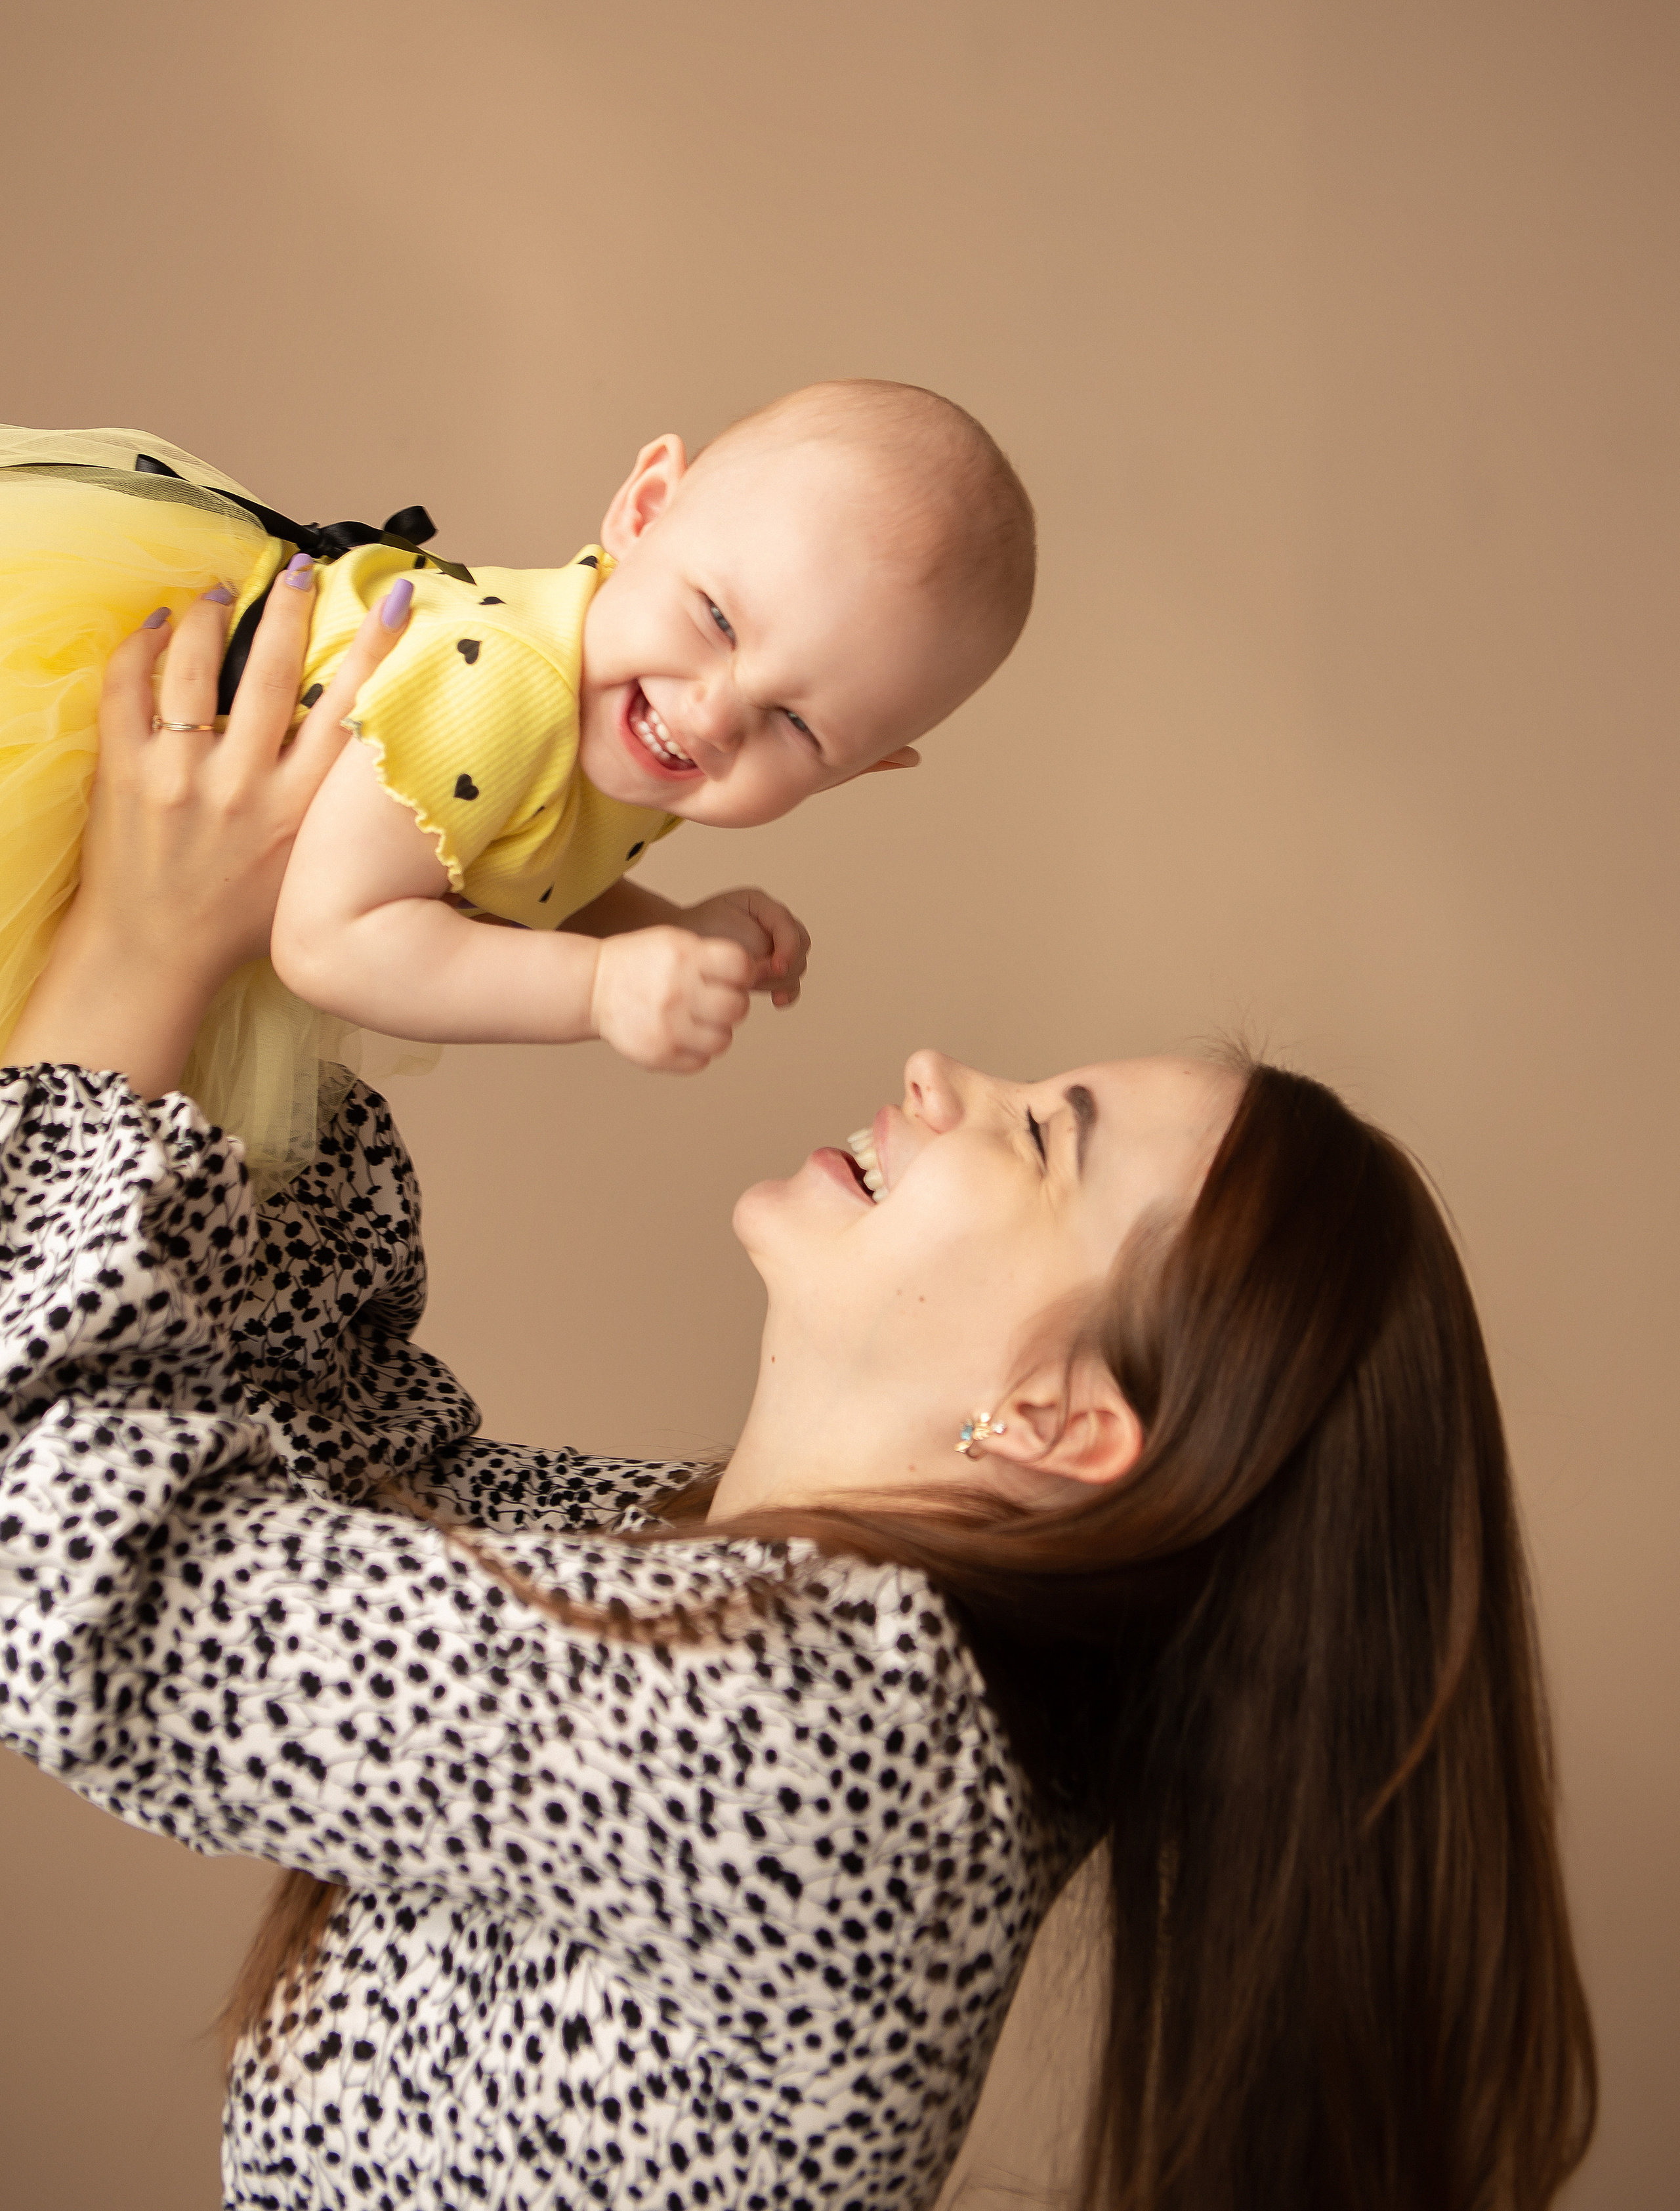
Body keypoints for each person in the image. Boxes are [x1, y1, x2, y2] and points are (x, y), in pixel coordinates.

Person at [0, 592, 1595, 2210]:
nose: (935, 1073)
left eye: (1039, 1134)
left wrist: (141, 953)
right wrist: (332, 911)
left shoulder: (818, 1729)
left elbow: (64, 1581)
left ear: (1056, 1416)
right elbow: (354, 1453)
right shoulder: (741, 1597)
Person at [0, 381, 1036, 1190]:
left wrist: (662, 928)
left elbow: (500, 863)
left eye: (799, 726)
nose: (716, 712)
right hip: (95, 753)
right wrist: (600, 989)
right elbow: (330, 939)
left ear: (861, 769)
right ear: (644, 509)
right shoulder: (512, 683)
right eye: (717, 619)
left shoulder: (623, 717)